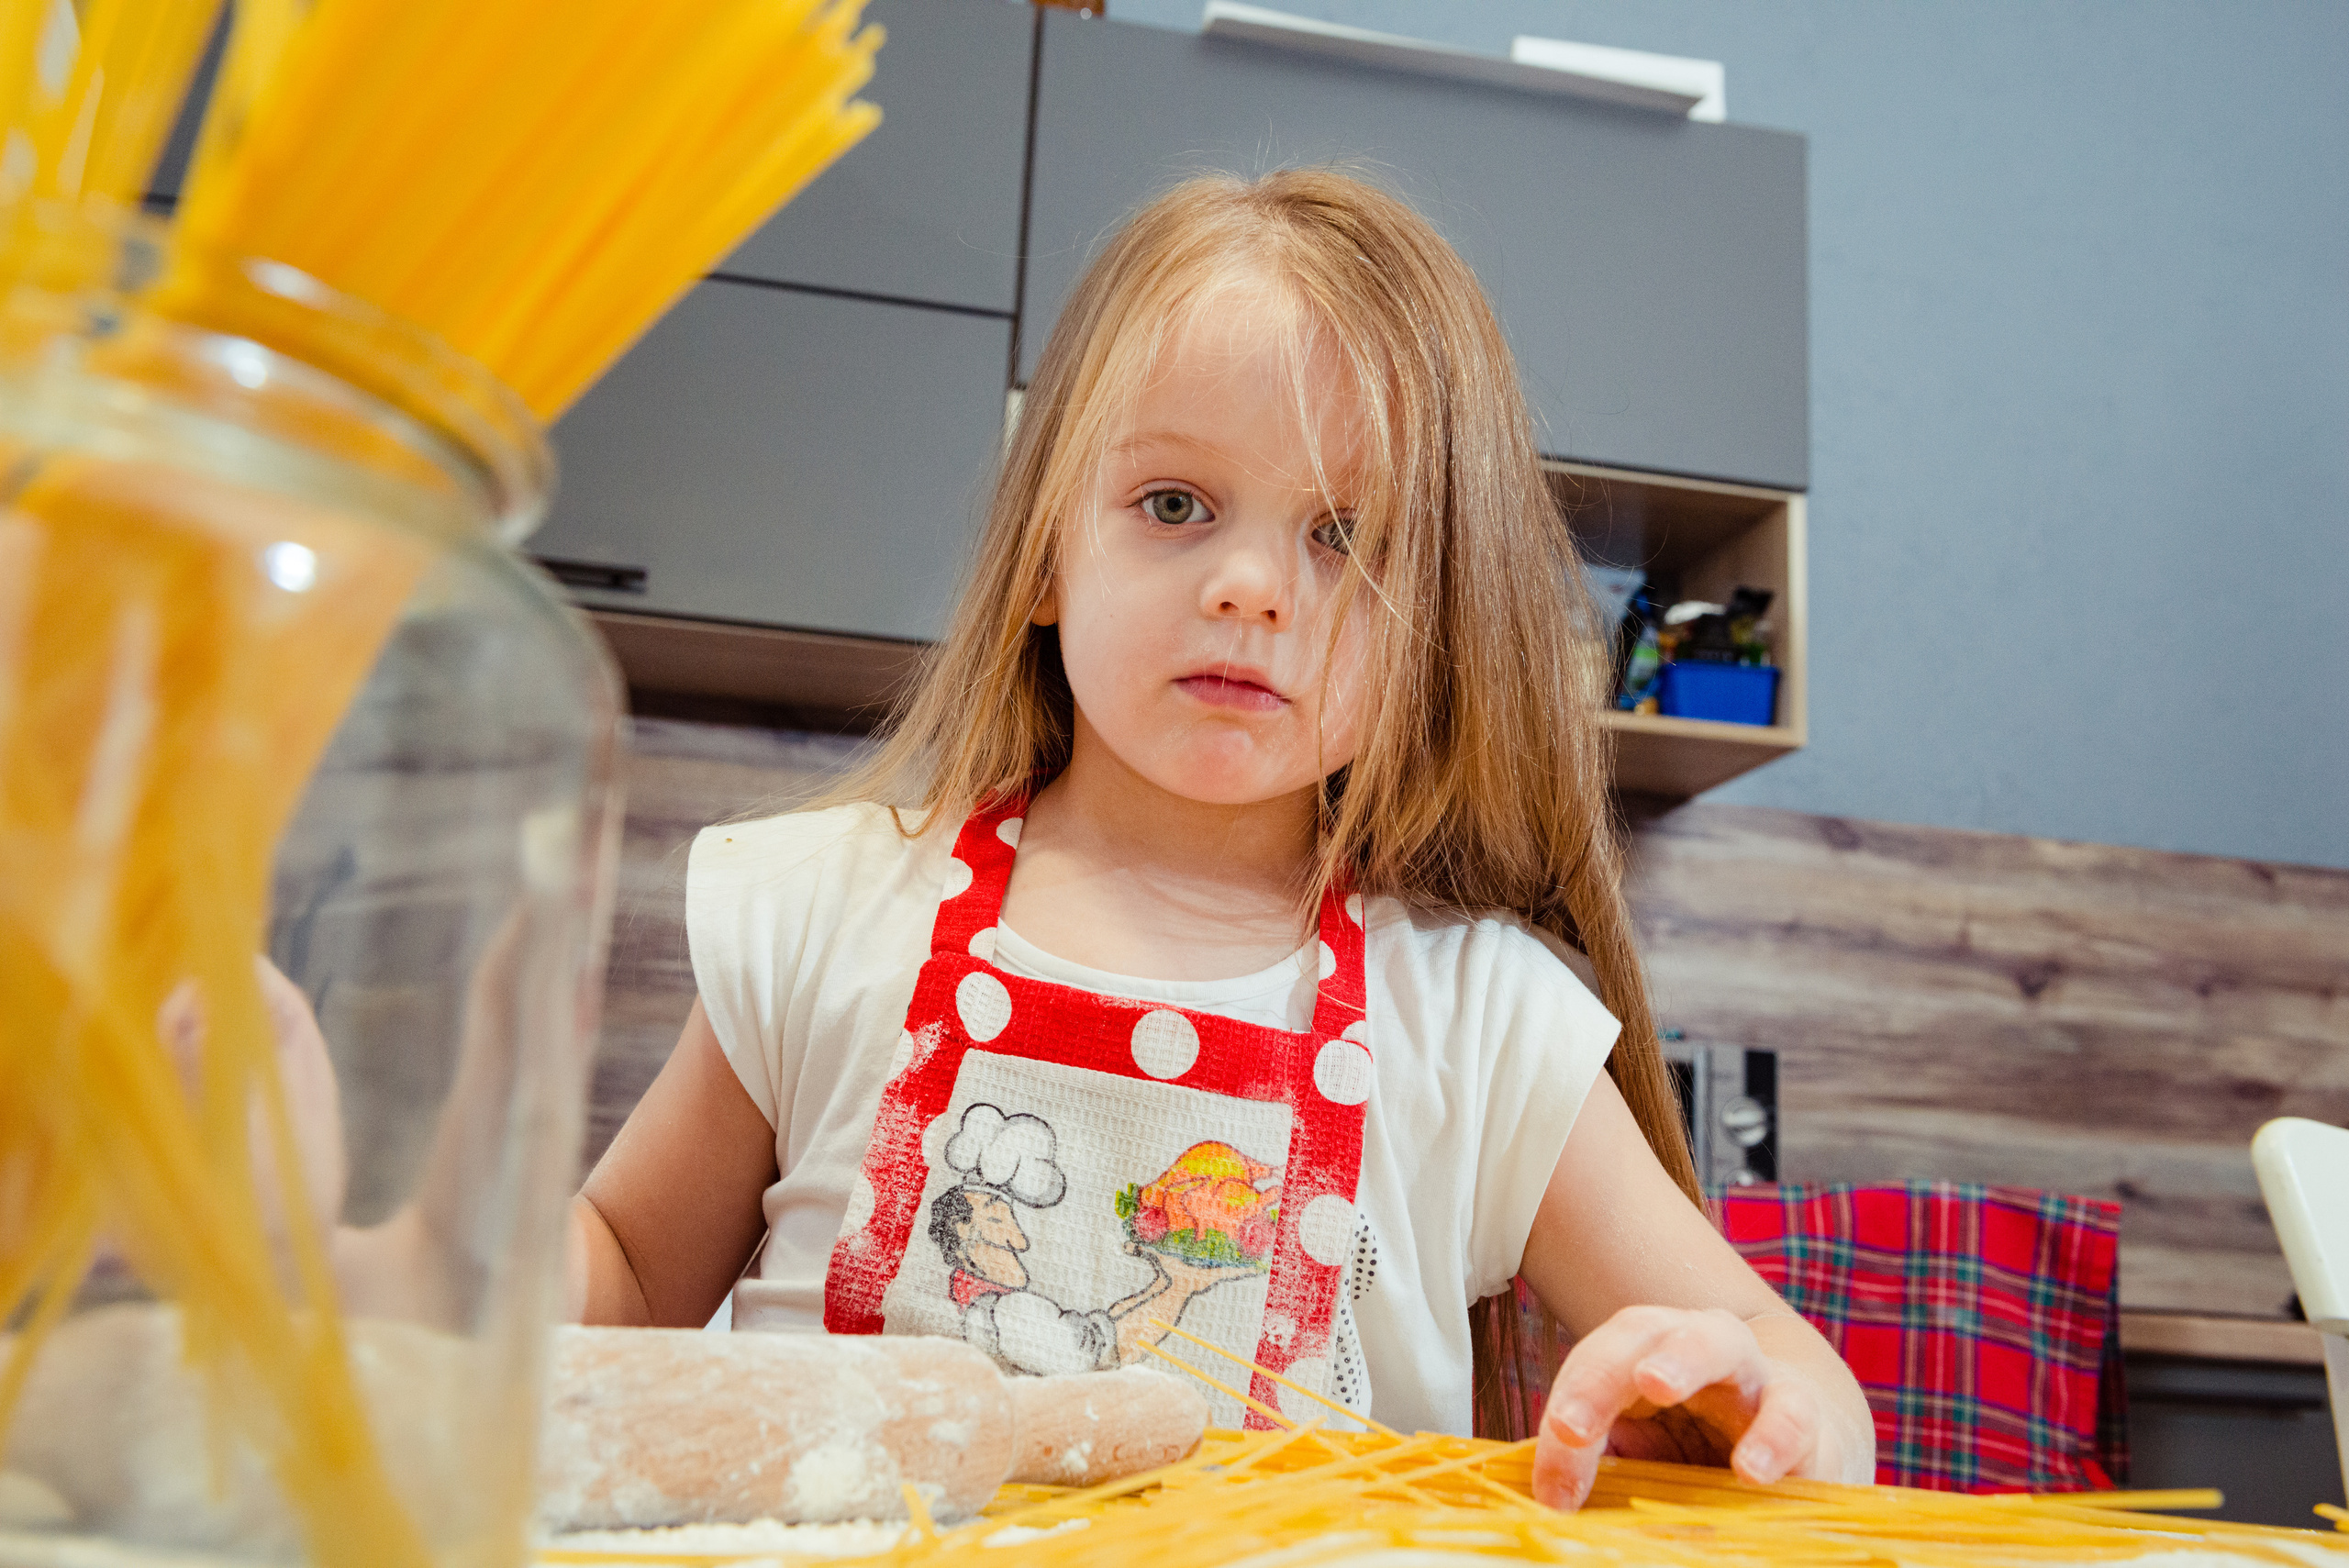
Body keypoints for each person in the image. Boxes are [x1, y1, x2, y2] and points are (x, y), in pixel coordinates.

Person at [569, 168, 1874, 1509]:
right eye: (1176, 503)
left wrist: (1761, 1411)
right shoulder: (825, 907)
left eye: (1345, 536)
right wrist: (423, 1273)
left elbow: (1792, 1372)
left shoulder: (1481, 1028)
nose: (1251, 586)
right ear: (1040, 553)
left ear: (1434, 629)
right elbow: (613, 1265)